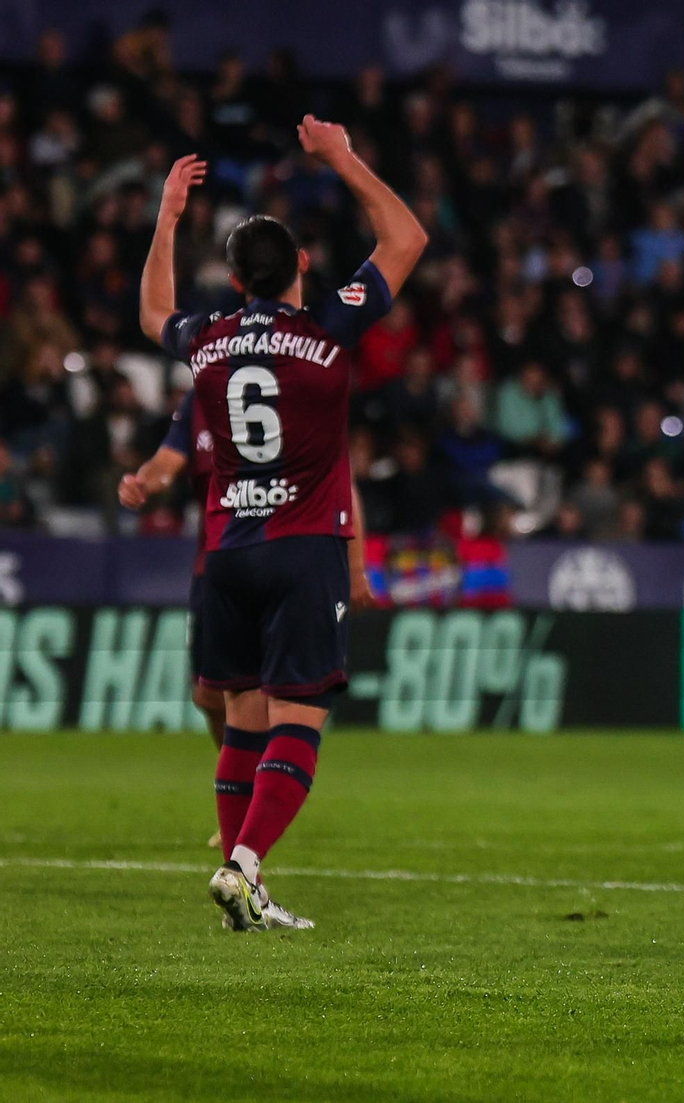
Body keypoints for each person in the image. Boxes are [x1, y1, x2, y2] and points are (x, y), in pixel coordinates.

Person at [138, 119, 426, 932]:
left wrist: (166, 215)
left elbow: (154, 310)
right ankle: (244, 865)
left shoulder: (208, 339)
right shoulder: (329, 329)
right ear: (302, 265)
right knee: (297, 723)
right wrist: (342, 158)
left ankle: (243, 893)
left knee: (244, 720)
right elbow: (407, 236)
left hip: (227, 553)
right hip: (304, 550)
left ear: (233, 279)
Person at [118, 392, 378, 852]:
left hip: (291, 557)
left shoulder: (291, 384)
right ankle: (245, 808)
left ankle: (249, 822)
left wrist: (355, 566)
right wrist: (145, 481)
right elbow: (167, 460)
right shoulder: (202, 398)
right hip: (221, 565)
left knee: (279, 703)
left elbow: (342, 481)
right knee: (211, 696)